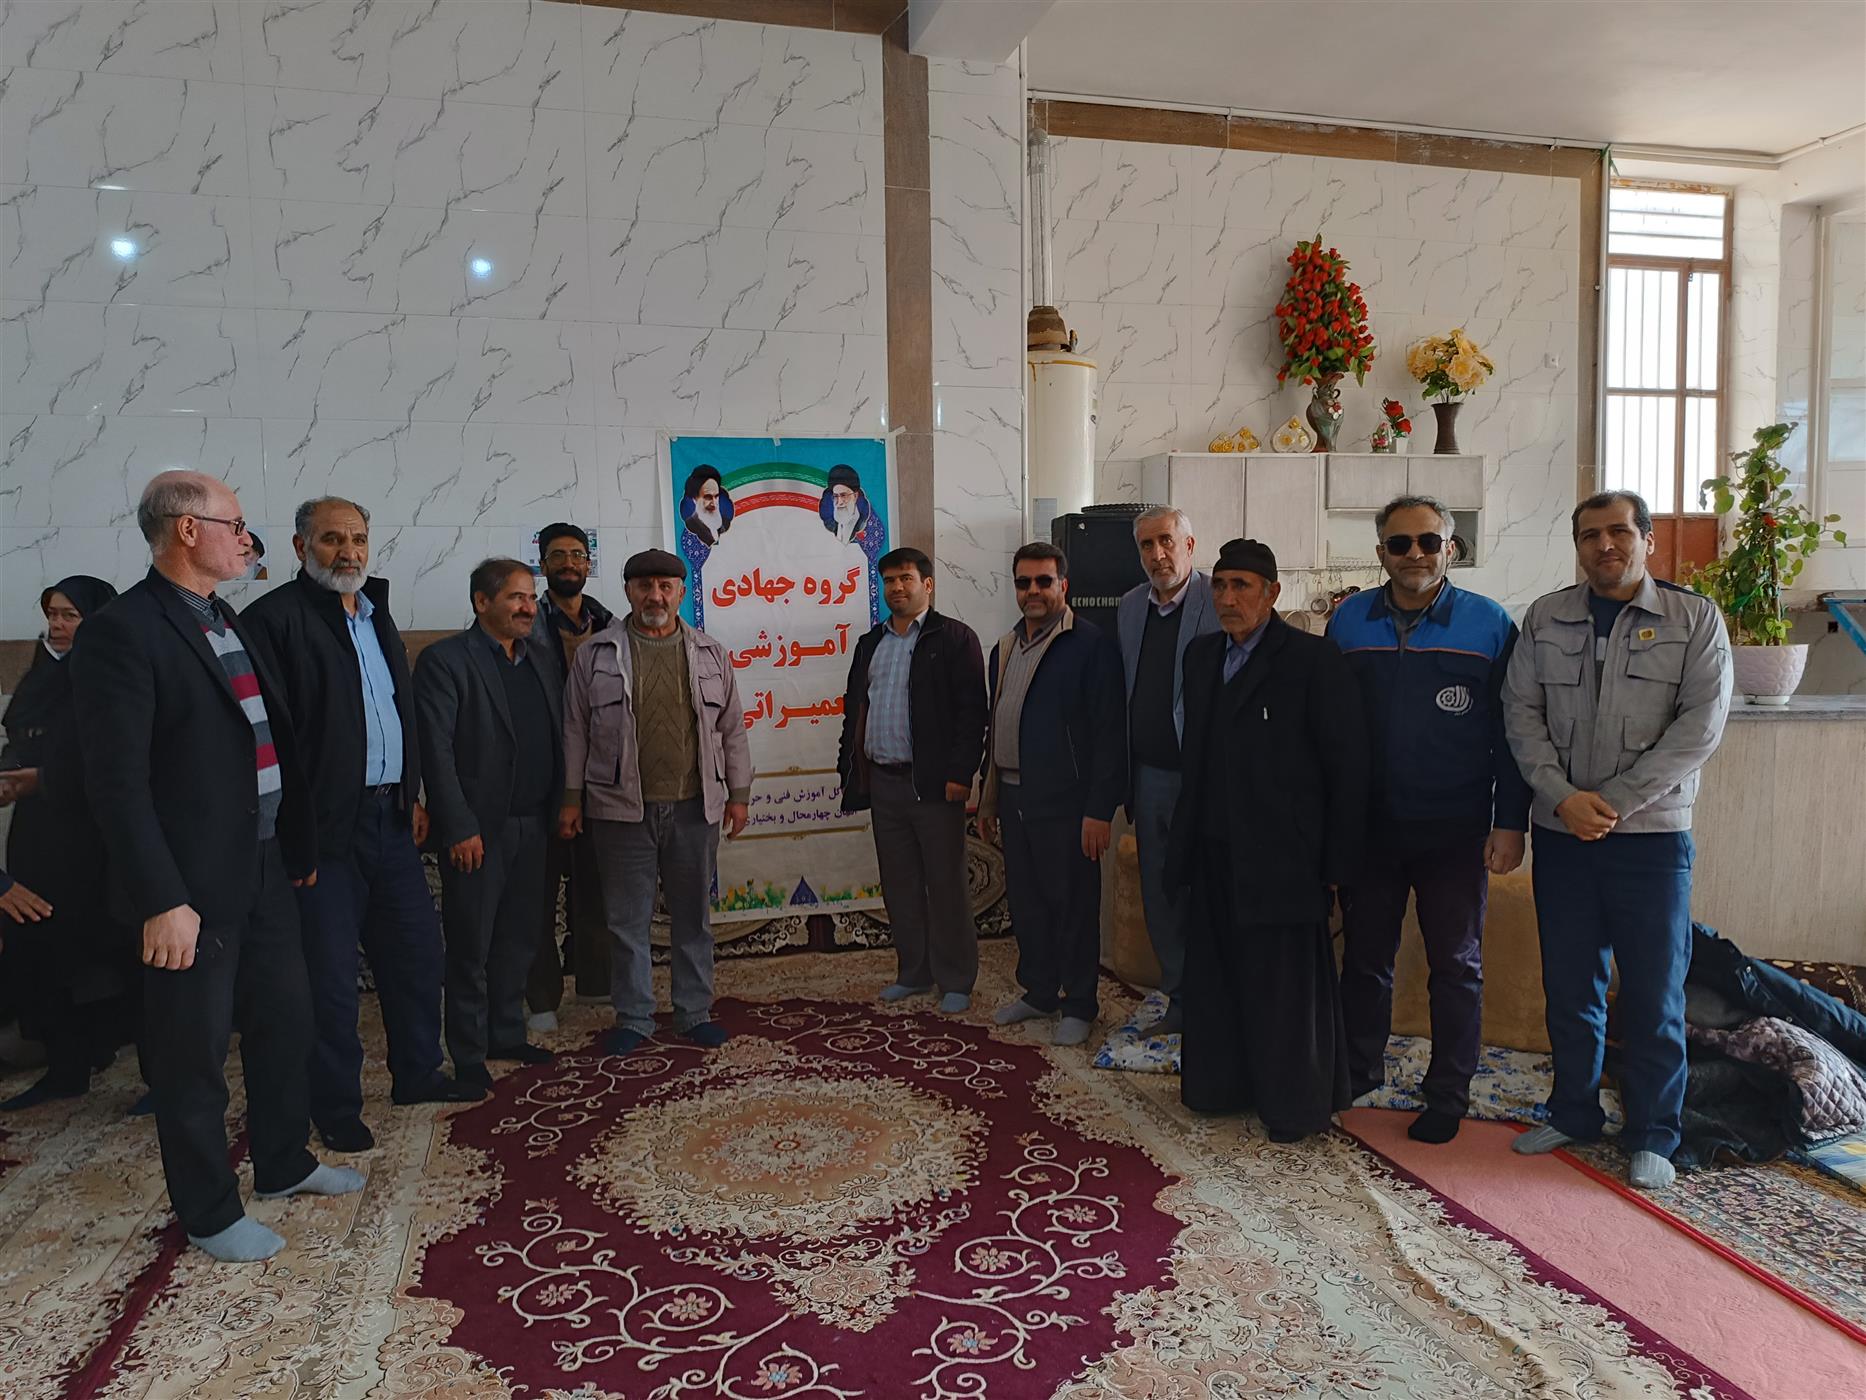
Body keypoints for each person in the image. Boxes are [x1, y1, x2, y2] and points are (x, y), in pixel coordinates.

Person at [72, 470, 362, 1262]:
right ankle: (208, 1212)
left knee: (285, 1022)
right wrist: (161, 898)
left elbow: (265, 741)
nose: (247, 539)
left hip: (263, 865)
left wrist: (295, 847)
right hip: (188, 886)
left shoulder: (224, 617)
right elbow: (116, 784)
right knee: (191, 1055)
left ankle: (284, 1161)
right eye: (235, 524)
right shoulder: (123, 631)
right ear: (187, 530)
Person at [1503, 490, 1732, 1191]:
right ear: (1577, 545)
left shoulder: (1694, 619)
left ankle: (1654, 1133)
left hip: (1651, 841)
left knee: (1655, 992)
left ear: (1647, 540)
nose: (1605, 545)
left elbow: (1700, 727)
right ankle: (1573, 1112)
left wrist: (1616, 804)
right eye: (1590, 535)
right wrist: (1562, 798)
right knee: (1571, 984)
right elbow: (1521, 714)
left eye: (1619, 532)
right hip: (1563, 834)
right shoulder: (1545, 617)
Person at [242, 498, 482, 1154]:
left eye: (358, 538)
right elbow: (269, 739)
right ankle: (335, 1105)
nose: (348, 551)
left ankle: (417, 1073)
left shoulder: (375, 612)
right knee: (330, 981)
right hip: (322, 832)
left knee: (416, 956)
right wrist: (292, 833)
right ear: (301, 548)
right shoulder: (272, 621)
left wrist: (411, 793)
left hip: (391, 821)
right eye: (331, 539)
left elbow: (395, 714)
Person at [1328, 497, 1530, 1143]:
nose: (1414, 554)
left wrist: (1511, 821)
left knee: (1456, 964)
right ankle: (1358, 1071)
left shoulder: (1489, 624)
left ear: (1451, 548)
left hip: (1455, 828)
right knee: (1365, 960)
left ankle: (1448, 1092)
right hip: (1370, 830)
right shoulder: (1348, 621)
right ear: (1380, 552)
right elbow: (1328, 732)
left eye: (1428, 542)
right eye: (1399, 544)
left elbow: (1514, 733)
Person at [1166, 538, 1368, 1141]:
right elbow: (1196, 755)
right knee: (1217, 980)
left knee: (1282, 991)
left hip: (1285, 858)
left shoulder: (1311, 659)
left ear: (1272, 593)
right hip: (1214, 848)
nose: (1228, 598)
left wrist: (1337, 866)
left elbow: (1346, 767)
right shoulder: (1202, 656)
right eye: (1220, 585)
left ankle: (1293, 1106)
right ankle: (1221, 1089)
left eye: (1242, 587)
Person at [560, 549, 752, 1055]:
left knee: (693, 918)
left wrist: (739, 795)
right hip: (620, 810)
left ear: (681, 592)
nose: (655, 596)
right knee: (626, 921)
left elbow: (732, 729)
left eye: (666, 586)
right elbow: (575, 730)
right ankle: (634, 1016)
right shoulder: (595, 654)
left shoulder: (711, 653)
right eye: (644, 586)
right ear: (628, 591)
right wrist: (572, 798)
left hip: (695, 807)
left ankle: (694, 1011)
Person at [414, 558, 561, 1090]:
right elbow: (435, 751)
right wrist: (459, 826)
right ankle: (469, 1052)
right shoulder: (446, 661)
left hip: (534, 824)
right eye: (517, 597)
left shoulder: (539, 658)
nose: (528, 608)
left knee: (519, 939)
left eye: (531, 598)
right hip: (479, 832)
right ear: (481, 602)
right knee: (471, 947)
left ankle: (506, 1033)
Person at [977, 542, 1125, 1047]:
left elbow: (1110, 735)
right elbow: (997, 725)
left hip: (1068, 803)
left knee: (1073, 905)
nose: (1033, 591)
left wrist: (1099, 810)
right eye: (1024, 583)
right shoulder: (1005, 647)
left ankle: (1080, 1003)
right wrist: (989, 799)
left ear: (1064, 584)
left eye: (1044, 581)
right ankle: (1040, 991)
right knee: (1028, 902)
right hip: (1014, 797)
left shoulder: (1091, 645)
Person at [1, 576, 138, 1112]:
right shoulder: (44, 675)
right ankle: (66, 1068)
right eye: (52, 615)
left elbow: (118, 757)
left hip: (98, 839)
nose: (57, 626)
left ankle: (152, 1074)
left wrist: (44, 778)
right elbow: (21, 737)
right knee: (46, 948)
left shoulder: (114, 676)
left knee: (115, 951)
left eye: (70, 616)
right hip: (41, 839)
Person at [837, 547, 988, 1012]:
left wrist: (961, 774)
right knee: (899, 883)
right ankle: (914, 973)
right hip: (884, 783)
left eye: (906, 578)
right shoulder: (871, 643)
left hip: (935, 786)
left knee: (945, 884)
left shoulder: (954, 638)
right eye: (889, 581)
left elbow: (973, 714)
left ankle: (956, 980)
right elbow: (853, 710)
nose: (897, 588)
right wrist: (850, 768)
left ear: (928, 584)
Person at [1115, 507, 1220, 1036]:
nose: (1158, 555)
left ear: (1190, 544)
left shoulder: (1218, 598)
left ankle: (1218, 1002)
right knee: (1161, 892)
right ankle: (1179, 999)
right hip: (1150, 775)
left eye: (1166, 542)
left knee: (1211, 890)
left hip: (1208, 778)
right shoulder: (1130, 606)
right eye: (1146, 546)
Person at [525, 522, 615, 1031]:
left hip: (600, 777)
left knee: (596, 887)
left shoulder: (609, 623)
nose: (568, 563)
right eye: (558, 555)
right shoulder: (525, 621)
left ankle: (597, 983)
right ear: (542, 564)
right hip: (541, 779)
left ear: (588, 564)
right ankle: (541, 999)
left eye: (577, 555)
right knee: (538, 896)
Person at [679, 466, 734, 546]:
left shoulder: (723, 524)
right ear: (695, 499)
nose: (714, 503)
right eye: (708, 497)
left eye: (716, 496)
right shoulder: (692, 525)